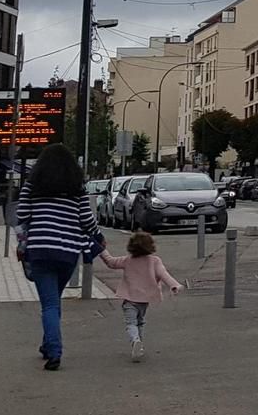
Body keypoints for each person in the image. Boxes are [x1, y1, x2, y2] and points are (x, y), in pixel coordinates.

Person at [13, 143, 99, 371]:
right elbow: (87, 220)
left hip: (40, 248)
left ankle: (54, 352)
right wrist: (98, 236)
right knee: (54, 300)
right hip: (68, 252)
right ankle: (47, 344)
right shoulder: (76, 189)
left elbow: (21, 215)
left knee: (49, 303)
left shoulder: (32, 186)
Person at [99, 230, 182, 362]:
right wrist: (174, 285)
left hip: (130, 299)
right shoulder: (155, 261)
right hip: (145, 300)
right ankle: (140, 344)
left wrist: (101, 249)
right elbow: (164, 274)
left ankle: (135, 341)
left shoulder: (127, 260)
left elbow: (111, 262)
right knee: (140, 322)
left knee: (130, 323)